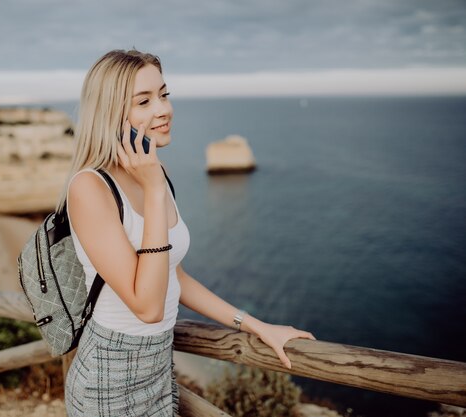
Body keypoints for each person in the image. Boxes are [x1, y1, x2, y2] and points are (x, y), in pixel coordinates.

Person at [57, 49, 315, 417]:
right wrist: (155, 191)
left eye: (163, 94)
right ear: (111, 112)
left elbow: (173, 276)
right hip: (107, 380)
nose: (163, 109)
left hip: (160, 370)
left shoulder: (152, 175)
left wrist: (257, 325)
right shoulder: (91, 188)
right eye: (143, 101)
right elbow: (147, 306)